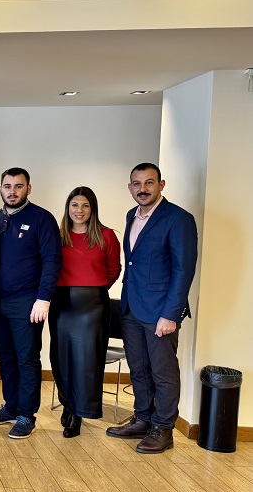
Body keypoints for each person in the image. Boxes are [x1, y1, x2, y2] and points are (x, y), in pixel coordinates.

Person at [106, 163, 197, 453]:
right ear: (130, 187)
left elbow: (183, 270)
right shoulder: (131, 215)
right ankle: (143, 419)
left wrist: (170, 314)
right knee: (139, 369)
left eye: (149, 182)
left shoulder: (178, 219)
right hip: (131, 308)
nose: (142, 189)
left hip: (160, 312)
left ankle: (163, 428)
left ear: (161, 185)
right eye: (137, 183)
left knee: (163, 372)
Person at [0, 167, 62, 439]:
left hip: (27, 301)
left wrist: (44, 298)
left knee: (26, 359)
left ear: (29, 188)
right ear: (0, 189)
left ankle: (26, 414)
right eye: (7, 186)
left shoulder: (42, 218)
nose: (12, 191)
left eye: (18, 186)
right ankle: (11, 406)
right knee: (5, 357)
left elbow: (52, 260)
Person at [49, 187, 121, 438]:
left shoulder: (106, 235)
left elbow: (113, 270)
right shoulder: (58, 236)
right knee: (60, 359)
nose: (79, 210)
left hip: (92, 306)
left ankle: (77, 413)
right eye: (74, 205)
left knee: (86, 361)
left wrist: (92, 288)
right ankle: (68, 402)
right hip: (61, 303)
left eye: (85, 205)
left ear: (93, 208)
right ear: (68, 208)